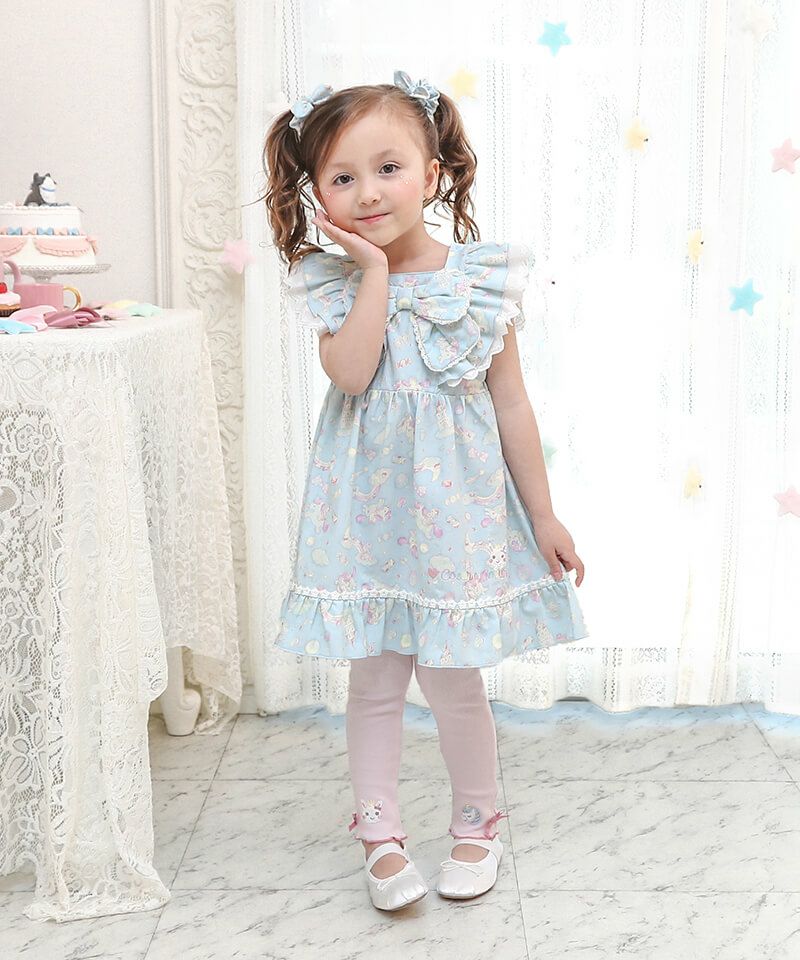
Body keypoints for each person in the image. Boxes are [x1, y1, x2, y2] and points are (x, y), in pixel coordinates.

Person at [261, 69, 589, 912]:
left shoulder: (479, 283)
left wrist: (543, 514)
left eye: (388, 168)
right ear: (318, 193)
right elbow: (351, 371)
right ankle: (379, 834)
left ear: (433, 172)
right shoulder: (333, 282)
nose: (368, 192)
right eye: (343, 177)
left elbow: (511, 404)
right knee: (373, 680)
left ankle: (478, 822)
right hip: (365, 522)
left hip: (455, 518)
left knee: (452, 680)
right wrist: (372, 270)